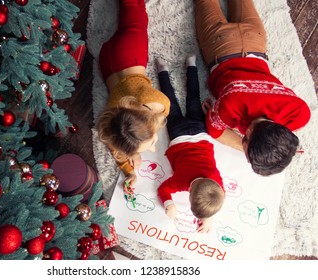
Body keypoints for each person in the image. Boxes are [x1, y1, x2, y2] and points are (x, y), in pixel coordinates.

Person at [194, 0, 311, 175]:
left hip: (254, 39)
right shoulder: (230, 107)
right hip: (219, 44)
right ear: (247, 132)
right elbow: (215, 131)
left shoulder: (300, 113)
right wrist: (245, 149)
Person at [96, 0, 170, 194]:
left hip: (129, 52)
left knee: (136, 11)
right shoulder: (112, 121)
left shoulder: (158, 103)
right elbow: (116, 147)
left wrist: (132, 166)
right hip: (106, 63)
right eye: (153, 143)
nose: (155, 149)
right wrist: (129, 169)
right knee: (135, 9)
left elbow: (166, 109)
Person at [156, 55, 225, 233]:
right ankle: (162, 70)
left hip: (200, 132)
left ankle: (191, 64)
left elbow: (219, 193)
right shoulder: (181, 183)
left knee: (193, 98)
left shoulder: (216, 180)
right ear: (190, 189)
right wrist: (169, 203)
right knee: (170, 103)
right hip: (178, 136)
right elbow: (163, 189)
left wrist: (207, 217)